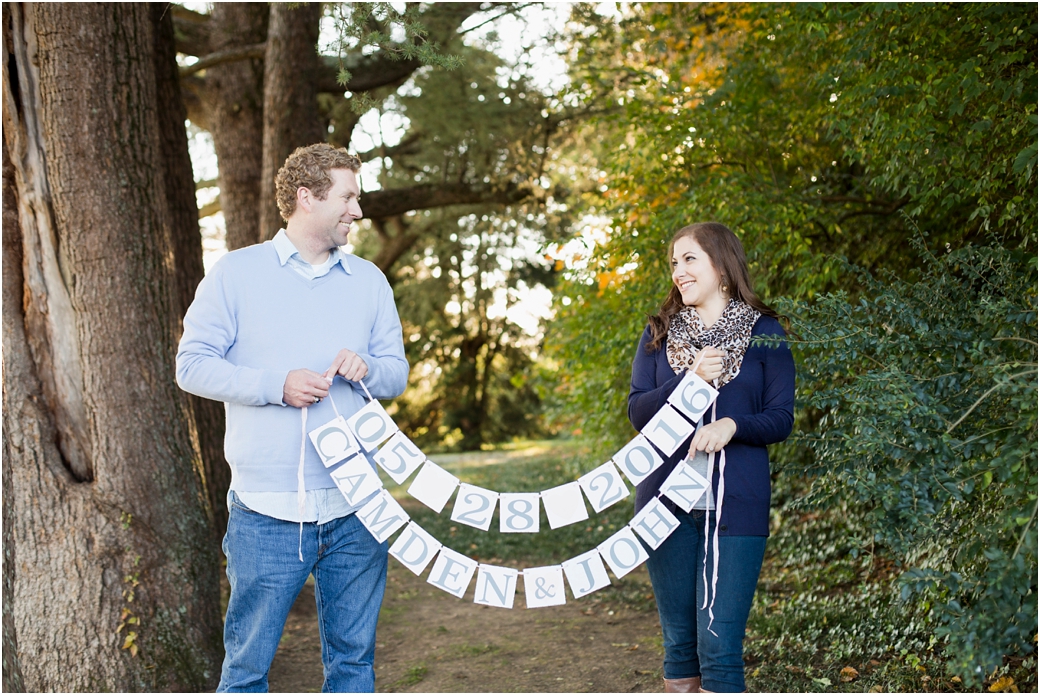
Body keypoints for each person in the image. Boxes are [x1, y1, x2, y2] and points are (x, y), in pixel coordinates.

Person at [176, 143, 408, 692]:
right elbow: (192, 365)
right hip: (266, 513)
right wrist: (274, 386)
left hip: (359, 508)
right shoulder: (236, 273)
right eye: (348, 196)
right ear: (307, 197)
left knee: (353, 667)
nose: (358, 209)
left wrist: (369, 368)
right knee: (247, 672)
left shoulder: (369, 280)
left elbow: (396, 374)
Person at [628, 222, 795, 693]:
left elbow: (781, 417)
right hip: (664, 508)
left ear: (722, 266)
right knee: (680, 646)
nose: (678, 271)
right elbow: (638, 411)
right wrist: (689, 380)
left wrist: (733, 425)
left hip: (735, 506)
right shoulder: (659, 333)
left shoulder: (765, 333)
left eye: (689, 259)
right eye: (674, 263)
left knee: (720, 651)